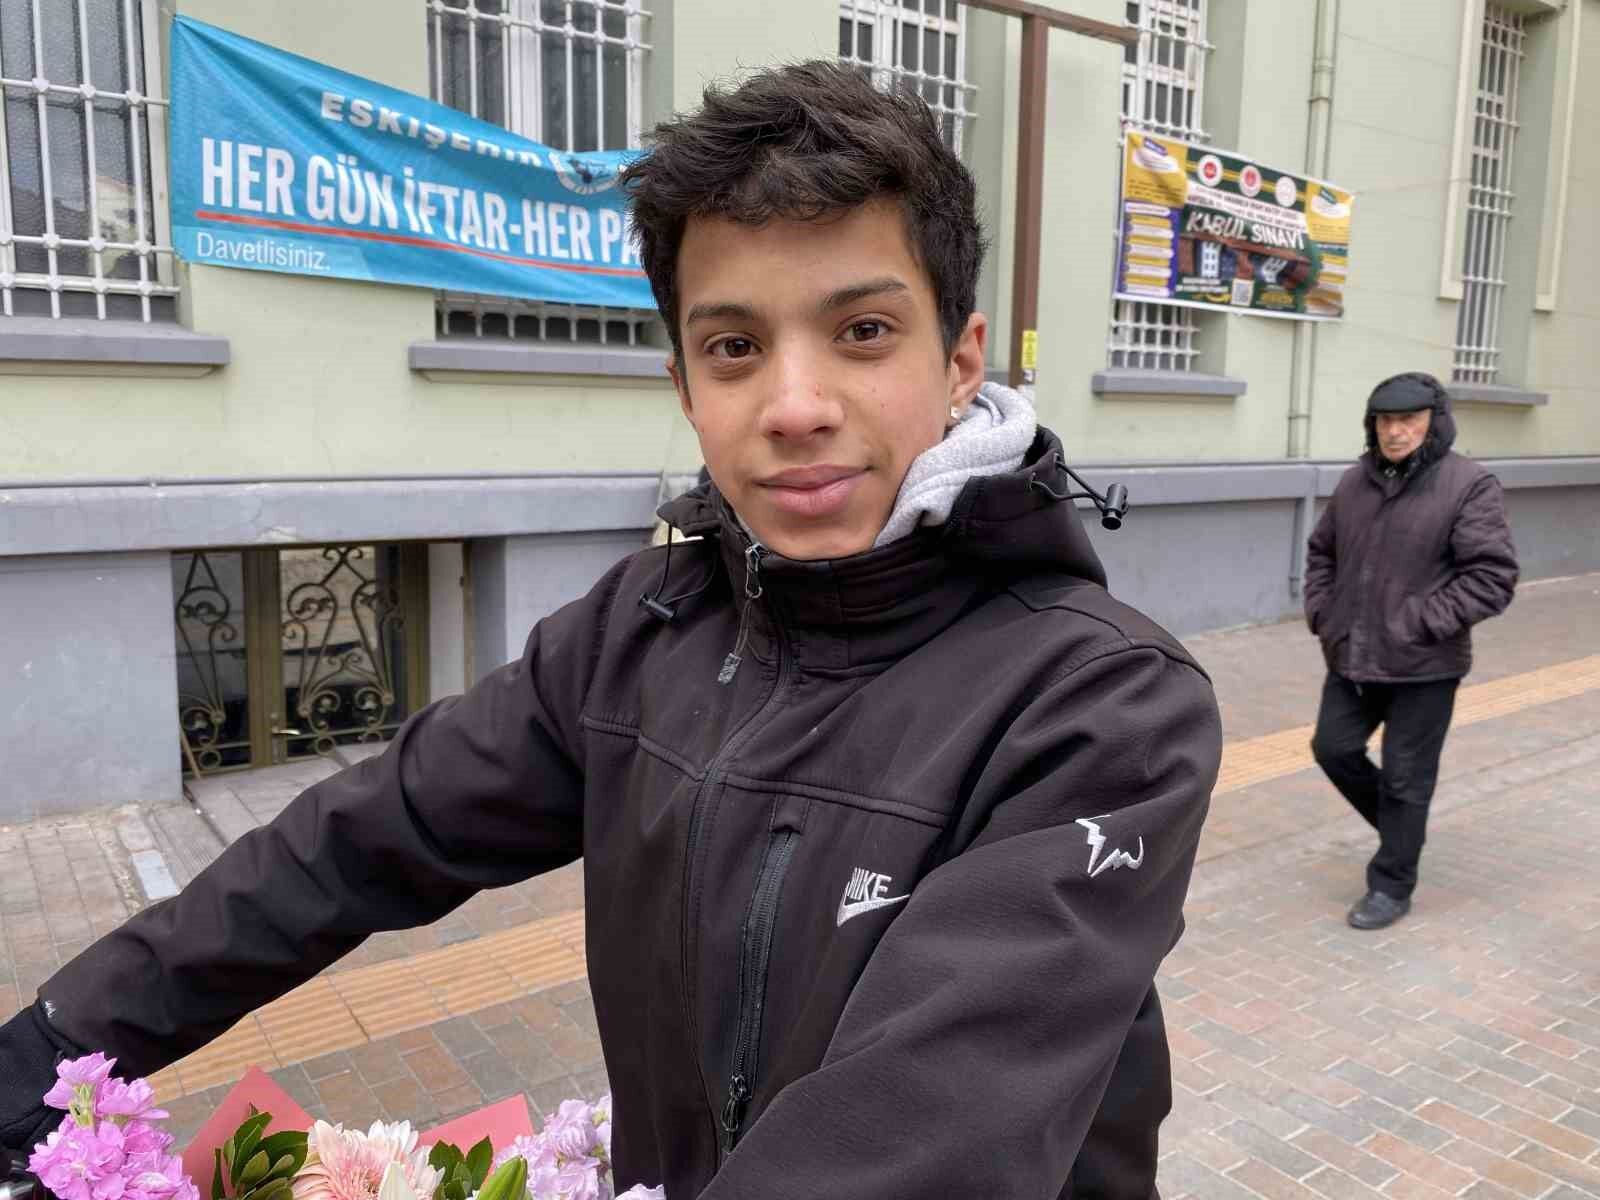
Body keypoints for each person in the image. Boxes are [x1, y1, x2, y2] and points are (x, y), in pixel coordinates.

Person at [0, 63, 1220, 1198]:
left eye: (860, 331)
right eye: (734, 346)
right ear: (687, 386)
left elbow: (920, 1135)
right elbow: (359, 841)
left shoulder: (1101, 706)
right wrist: (55, 1043)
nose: (793, 407)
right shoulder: (637, 634)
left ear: (960, 360)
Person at [1305, 372, 1517, 931]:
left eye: (1408, 420)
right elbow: (1321, 554)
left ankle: (1391, 884)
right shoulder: (1356, 482)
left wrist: (1419, 623)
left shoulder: (1468, 485)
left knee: (1406, 779)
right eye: (1385, 421)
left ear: (1434, 422)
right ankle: (1404, 834)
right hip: (1351, 655)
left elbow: (1491, 577)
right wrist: (1324, 615)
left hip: (1425, 664)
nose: (1395, 432)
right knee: (1333, 748)